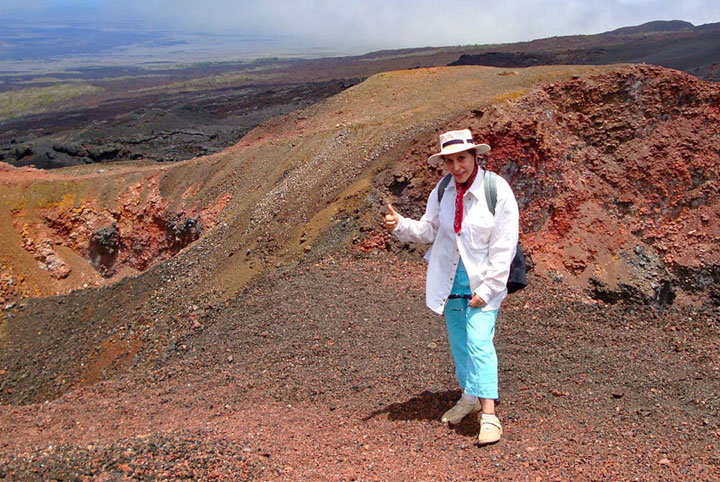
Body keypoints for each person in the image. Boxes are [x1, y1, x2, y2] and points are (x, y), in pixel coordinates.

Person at [383, 128, 519, 446]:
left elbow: (505, 245)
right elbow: (431, 229)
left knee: (479, 341)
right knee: (460, 342)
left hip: (483, 281)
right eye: (450, 161)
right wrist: (400, 225)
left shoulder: (496, 190)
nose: (457, 167)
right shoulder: (443, 190)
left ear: (475, 156)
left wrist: (488, 288)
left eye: (462, 159)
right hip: (450, 280)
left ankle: (489, 415)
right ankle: (469, 396)